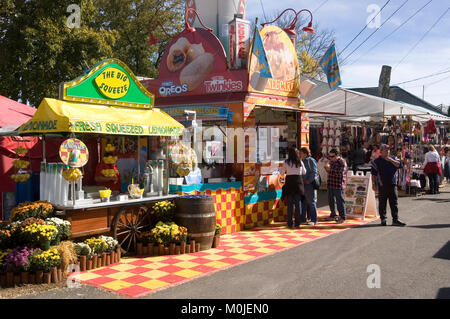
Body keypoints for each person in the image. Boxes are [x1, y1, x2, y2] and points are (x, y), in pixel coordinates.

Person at [371, 144, 406, 226]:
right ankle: (383, 219)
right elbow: (374, 174)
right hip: (382, 184)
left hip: (392, 184)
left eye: (388, 150)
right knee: (382, 203)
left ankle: (395, 219)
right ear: (381, 151)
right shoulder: (376, 161)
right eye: (386, 150)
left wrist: (390, 160)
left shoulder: (393, 158)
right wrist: (373, 184)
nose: (388, 151)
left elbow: (400, 165)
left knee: (394, 203)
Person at [280, 147, 306, 229]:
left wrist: (288, 171)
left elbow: (281, 173)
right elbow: (304, 172)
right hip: (298, 184)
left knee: (290, 204)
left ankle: (290, 223)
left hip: (289, 184)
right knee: (298, 204)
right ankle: (298, 222)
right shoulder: (300, 162)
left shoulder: (286, 162)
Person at [325, 148, 347, 224]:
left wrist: (330, 170)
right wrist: (327, 169)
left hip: (338, 184)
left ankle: (342, 216)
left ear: (337, 155)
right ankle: (333, 215)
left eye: (332, 156)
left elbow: (340, 173)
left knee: (340, 201)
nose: (330, 158)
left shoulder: (342, 162)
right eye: (329, 156)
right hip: (331, 183)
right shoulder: (331, 161)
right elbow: (330, 171)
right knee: (331, 200)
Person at [299, 147, 318, 226]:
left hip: (309, 184)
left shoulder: (311, 160)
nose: (299, 155)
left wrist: (308, 180)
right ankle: (304, 218)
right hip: (303, 184)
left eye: (301, 153)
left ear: (305, 153)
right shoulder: (301, 161)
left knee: (311, 201)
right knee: (305, 202)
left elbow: (314, 172)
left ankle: (314, 220)